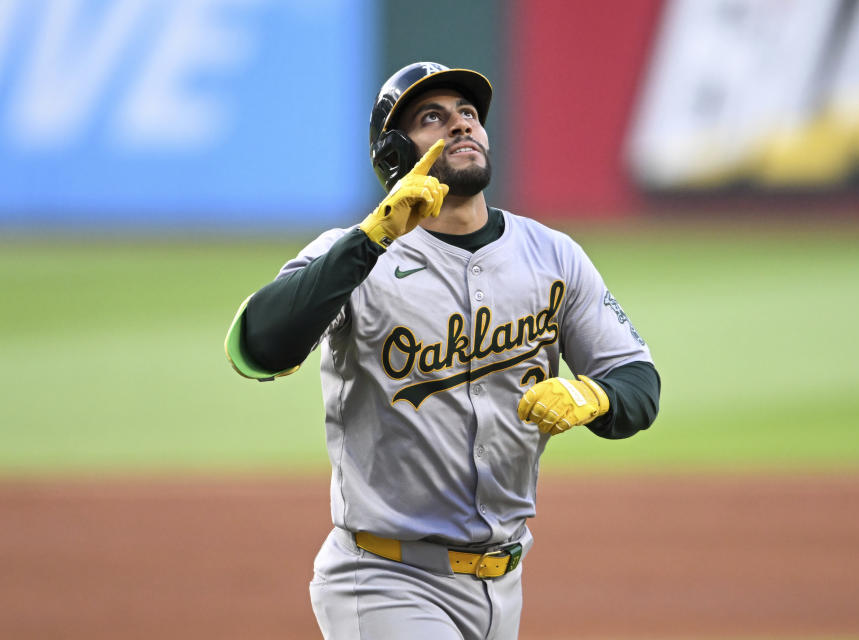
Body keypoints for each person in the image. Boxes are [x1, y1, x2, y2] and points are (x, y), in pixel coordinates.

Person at [224, 61, 661, 640]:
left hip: (503, 584)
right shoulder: (350, 257)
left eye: (470, 115)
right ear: (394, 154)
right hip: (384, 578)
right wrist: (370, 238)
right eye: (434, 118)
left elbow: (637, 378)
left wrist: (594, 395)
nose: (461, 126)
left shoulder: (553, 255)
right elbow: (259, 347)